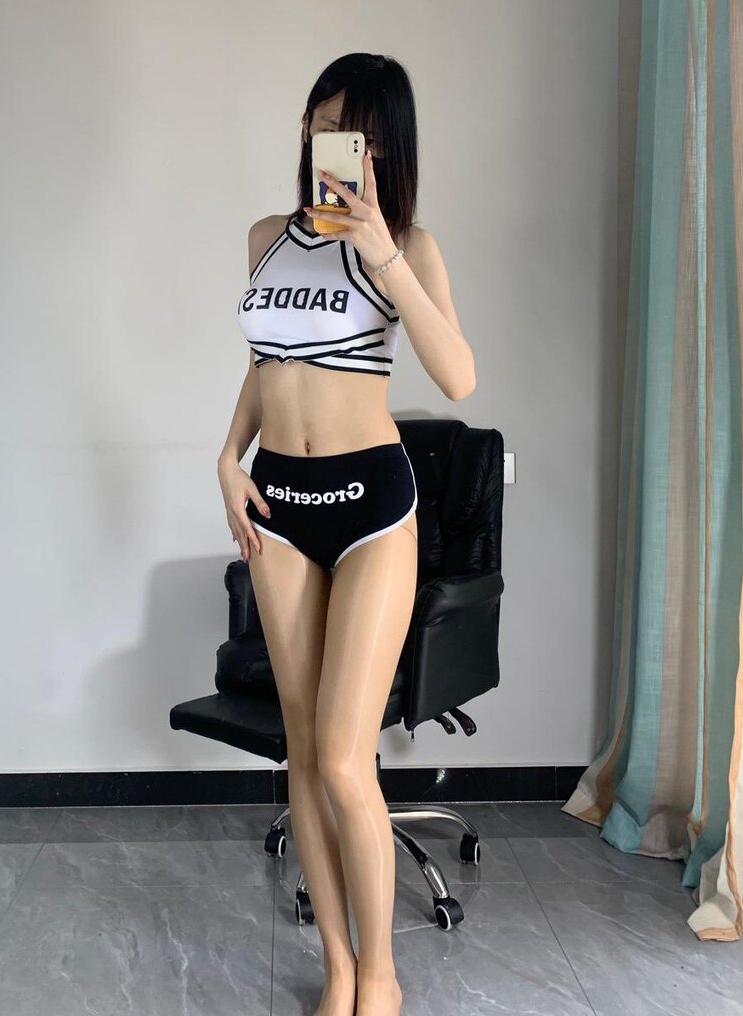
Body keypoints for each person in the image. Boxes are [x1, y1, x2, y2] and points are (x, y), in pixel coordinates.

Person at [218, 53, 476, 1016]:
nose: (330, 140)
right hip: (279, 506)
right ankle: (337, 968)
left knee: (340, 755)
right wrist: (227, 457)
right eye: (322, 121)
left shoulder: (407, 245)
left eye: (353, 130)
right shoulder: (264, 238)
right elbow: (266, 362)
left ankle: (383, 978)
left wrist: (381, 253)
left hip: (371, 505)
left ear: (384, 148)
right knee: (301, 748)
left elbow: (458, 376)